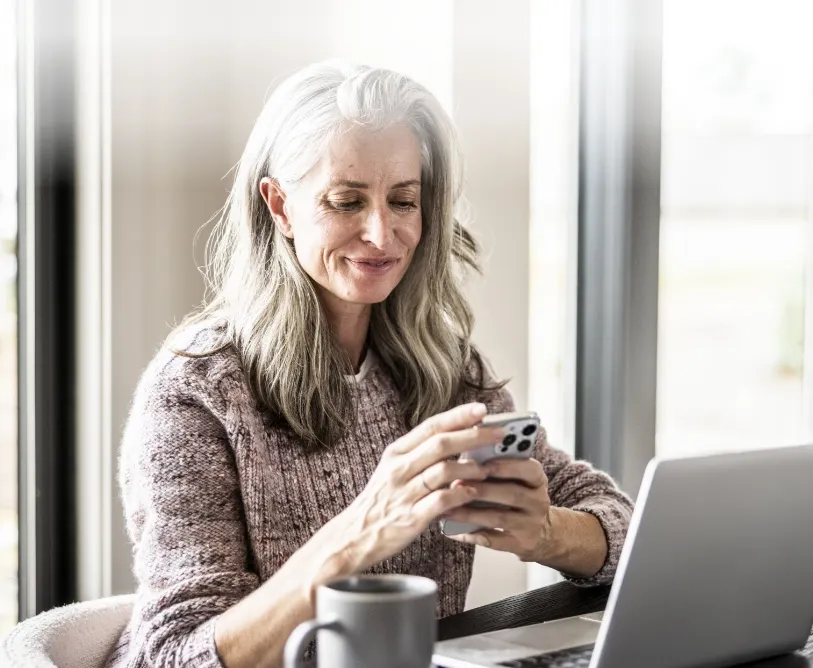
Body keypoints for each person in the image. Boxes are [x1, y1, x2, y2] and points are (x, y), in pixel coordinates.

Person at [110, 61, 633, 668]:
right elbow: (176, 656)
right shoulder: (196, 394)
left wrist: (545, 533)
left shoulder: (444, 369)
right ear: (279, 206)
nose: (382, 235)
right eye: (346, 202)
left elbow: (618, 523)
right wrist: (361, 531)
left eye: (403, 200)